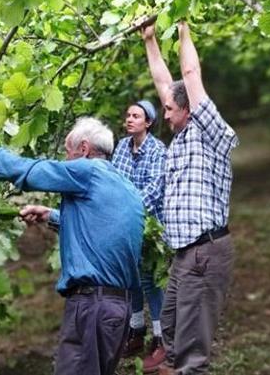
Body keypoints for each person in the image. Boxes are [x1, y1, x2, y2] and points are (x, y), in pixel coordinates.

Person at [0, 117, 145, 375]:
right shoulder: (127, 187)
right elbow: (103, 230)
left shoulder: (87, 171)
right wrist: (51, 215)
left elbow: (29, 172)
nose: (65, 160)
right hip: (117, 310)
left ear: (83, 149)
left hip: (91, 306)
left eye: (67, 152)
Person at [140, 21, 239, 375]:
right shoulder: (180, 138)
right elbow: (165, 83)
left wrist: (184, 31)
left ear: (189, 109)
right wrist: (150, 40)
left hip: (205, 252)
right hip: (185, 255)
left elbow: (189, 73)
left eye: (168, 109)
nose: (163, 114)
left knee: (192, 352)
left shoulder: (210, 132)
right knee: (168, 333)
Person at [111, 100, 167, 365]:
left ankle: (161, 338)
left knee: (149, 280)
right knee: (129, 278)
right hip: (124, 224)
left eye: (136, 116)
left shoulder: (158, 150)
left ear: (148, 122)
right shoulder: (122, 146)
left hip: (149, 225)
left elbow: (155, 192)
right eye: (128, 115)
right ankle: (136, 330)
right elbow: (115, 183)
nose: (130, 119)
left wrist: (128, 211)